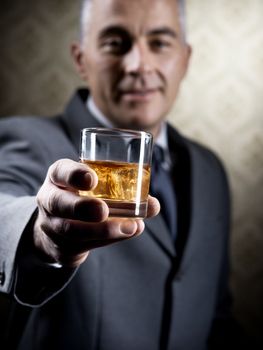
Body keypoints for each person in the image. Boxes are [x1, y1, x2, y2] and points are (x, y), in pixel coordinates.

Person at [0, 0, 245, 349]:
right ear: (81, 58)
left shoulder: (209, 170)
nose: (137, 65)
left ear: (185, 58)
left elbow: (216, 315)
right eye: (115, 43)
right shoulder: (26, 139)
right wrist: (41, 236)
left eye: (159, 43)